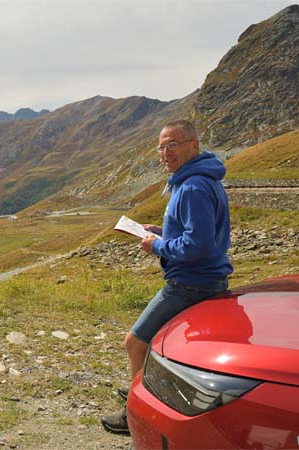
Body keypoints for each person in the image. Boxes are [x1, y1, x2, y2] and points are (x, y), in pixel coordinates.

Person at [101, 119, 233, 435]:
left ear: (193, 145)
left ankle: (136, 413)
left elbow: (198, 245)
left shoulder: (192, 187)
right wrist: (161, 232)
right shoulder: (200, 179)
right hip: (204, 278)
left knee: (135, 343)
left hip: (190, 283)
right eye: (161, 146)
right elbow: (195, 233)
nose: (165, 152)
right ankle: (145, 388)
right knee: (157, 344)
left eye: (173, 144)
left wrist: (158, 245)